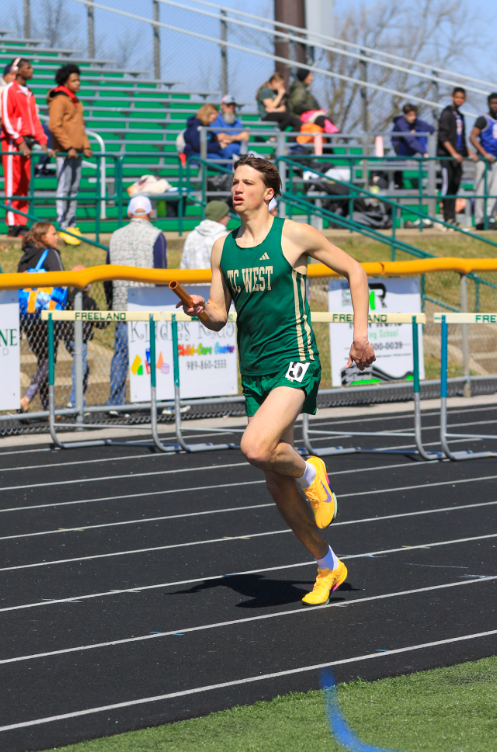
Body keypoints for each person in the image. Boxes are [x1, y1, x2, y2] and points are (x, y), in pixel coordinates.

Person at [179, 155, 375, 606]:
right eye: (234, 182)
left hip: (295, 358)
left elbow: (356, 271)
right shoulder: (222, 248)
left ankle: (312, 471)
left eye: (247, 182)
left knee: (255, 447)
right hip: (254, 369)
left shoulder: (293, 233)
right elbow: (217, 316)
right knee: (275, 482)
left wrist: (359, 334)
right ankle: (329, 566)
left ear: (268, 193)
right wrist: (199, 311)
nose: (237, 188)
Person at [105, 195, 167, 410]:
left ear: (130, 213)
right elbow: (161, 272)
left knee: (121, 353)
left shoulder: (115, 235)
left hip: (122, 303)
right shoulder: (156, 235)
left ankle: (115, 402)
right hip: (149, 304)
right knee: (155, 352)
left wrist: (110, 302)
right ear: (150, 213)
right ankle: (160, 399)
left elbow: (107, 273)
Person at [17, 222, 64, 412]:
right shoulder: (51, 254)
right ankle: (27, 399)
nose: (57, 237)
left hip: (27, 315)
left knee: (44, 359)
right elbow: (61, 281)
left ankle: (47, 409)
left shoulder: (24, 257)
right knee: (48, 360)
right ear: (42, 236)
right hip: (46, 316)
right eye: (53, 234)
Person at [1, 58, 51, 236]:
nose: (31, 70)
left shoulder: (29, 93)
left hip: (28, 143)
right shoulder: (9, 90)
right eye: (28, 67)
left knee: (24, 183)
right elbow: (6, 118)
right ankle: (13, 223)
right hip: (14, 142)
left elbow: (34, 120)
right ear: (18, 70)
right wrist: (19, 140)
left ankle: (22, 220)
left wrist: (42, 140)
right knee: (12, 183)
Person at [47, 63, 92, 246]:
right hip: (65, 153)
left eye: (79, 79)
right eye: (74, 80)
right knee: (64, 188)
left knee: (74, 189)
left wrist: (86, 146)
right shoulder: (59, 99)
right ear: (65, 81)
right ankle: (62, 223)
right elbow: (54, 126)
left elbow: (81, 127)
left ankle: (71, 223)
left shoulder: (76, 101)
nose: (78, 83)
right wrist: (68, 147)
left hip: (77, 153)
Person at [65, 265, 107, 409]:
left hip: (67, 338)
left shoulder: (66, 298)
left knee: (83, 368)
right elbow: (100, 323)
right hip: (78, 340)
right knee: (80, 368)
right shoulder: (88, 302)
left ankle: (77, 400)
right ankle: (76, 402)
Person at [437, 87, 477, 229]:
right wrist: (453, 153)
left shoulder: (460, 115)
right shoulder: (446, 113)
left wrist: (468, 154)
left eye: (462, 98)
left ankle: (452, 218)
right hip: (448, 157)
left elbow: (461, 139)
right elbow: (443, 136)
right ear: (452, 97)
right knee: (447, 186)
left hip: (458, 158)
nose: (459, 100)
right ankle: (446, 218)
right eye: (457, 97)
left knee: (455, 186)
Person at [469, 92, 497, 230]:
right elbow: (472, 137)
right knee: (481, 190)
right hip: (484, 160)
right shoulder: (483, 119)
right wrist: (484, 154)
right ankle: (480, 220)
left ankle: (490, 217)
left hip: (496, 160)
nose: (496, 106)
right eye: (493, 103)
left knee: (494, 191)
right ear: (489, 104)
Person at [180, 200, 230, 269]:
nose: (229, 217)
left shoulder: (191, 235)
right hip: (215, 279)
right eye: (227, 214)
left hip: (192, 279)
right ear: (220, 216)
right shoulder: (225, 238)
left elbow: (183, 265)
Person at [210, 94, 250, 159]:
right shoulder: (216, 118)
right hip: (225, 153)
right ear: (222, 105)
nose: (231, 107)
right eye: (228, 105)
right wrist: (238, 137)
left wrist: (245, 134)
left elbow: (244, 136)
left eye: (233, 105)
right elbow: (219, 137)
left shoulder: (236, 120)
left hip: (240, 152)